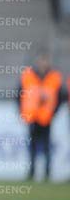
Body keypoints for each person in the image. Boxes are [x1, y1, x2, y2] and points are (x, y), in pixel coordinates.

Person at [17, 52, 65, 181]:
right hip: (32, 116)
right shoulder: (28, 75)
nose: (42, 63)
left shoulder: (54, 77)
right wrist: (21, 111)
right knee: (31, 146)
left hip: (46, 117)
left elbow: (61, 96)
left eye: (45, 61)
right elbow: (18, 94)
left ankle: (47, 173)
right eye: (41, 60)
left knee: (47, 146)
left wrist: (54, 112)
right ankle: (31, 172)